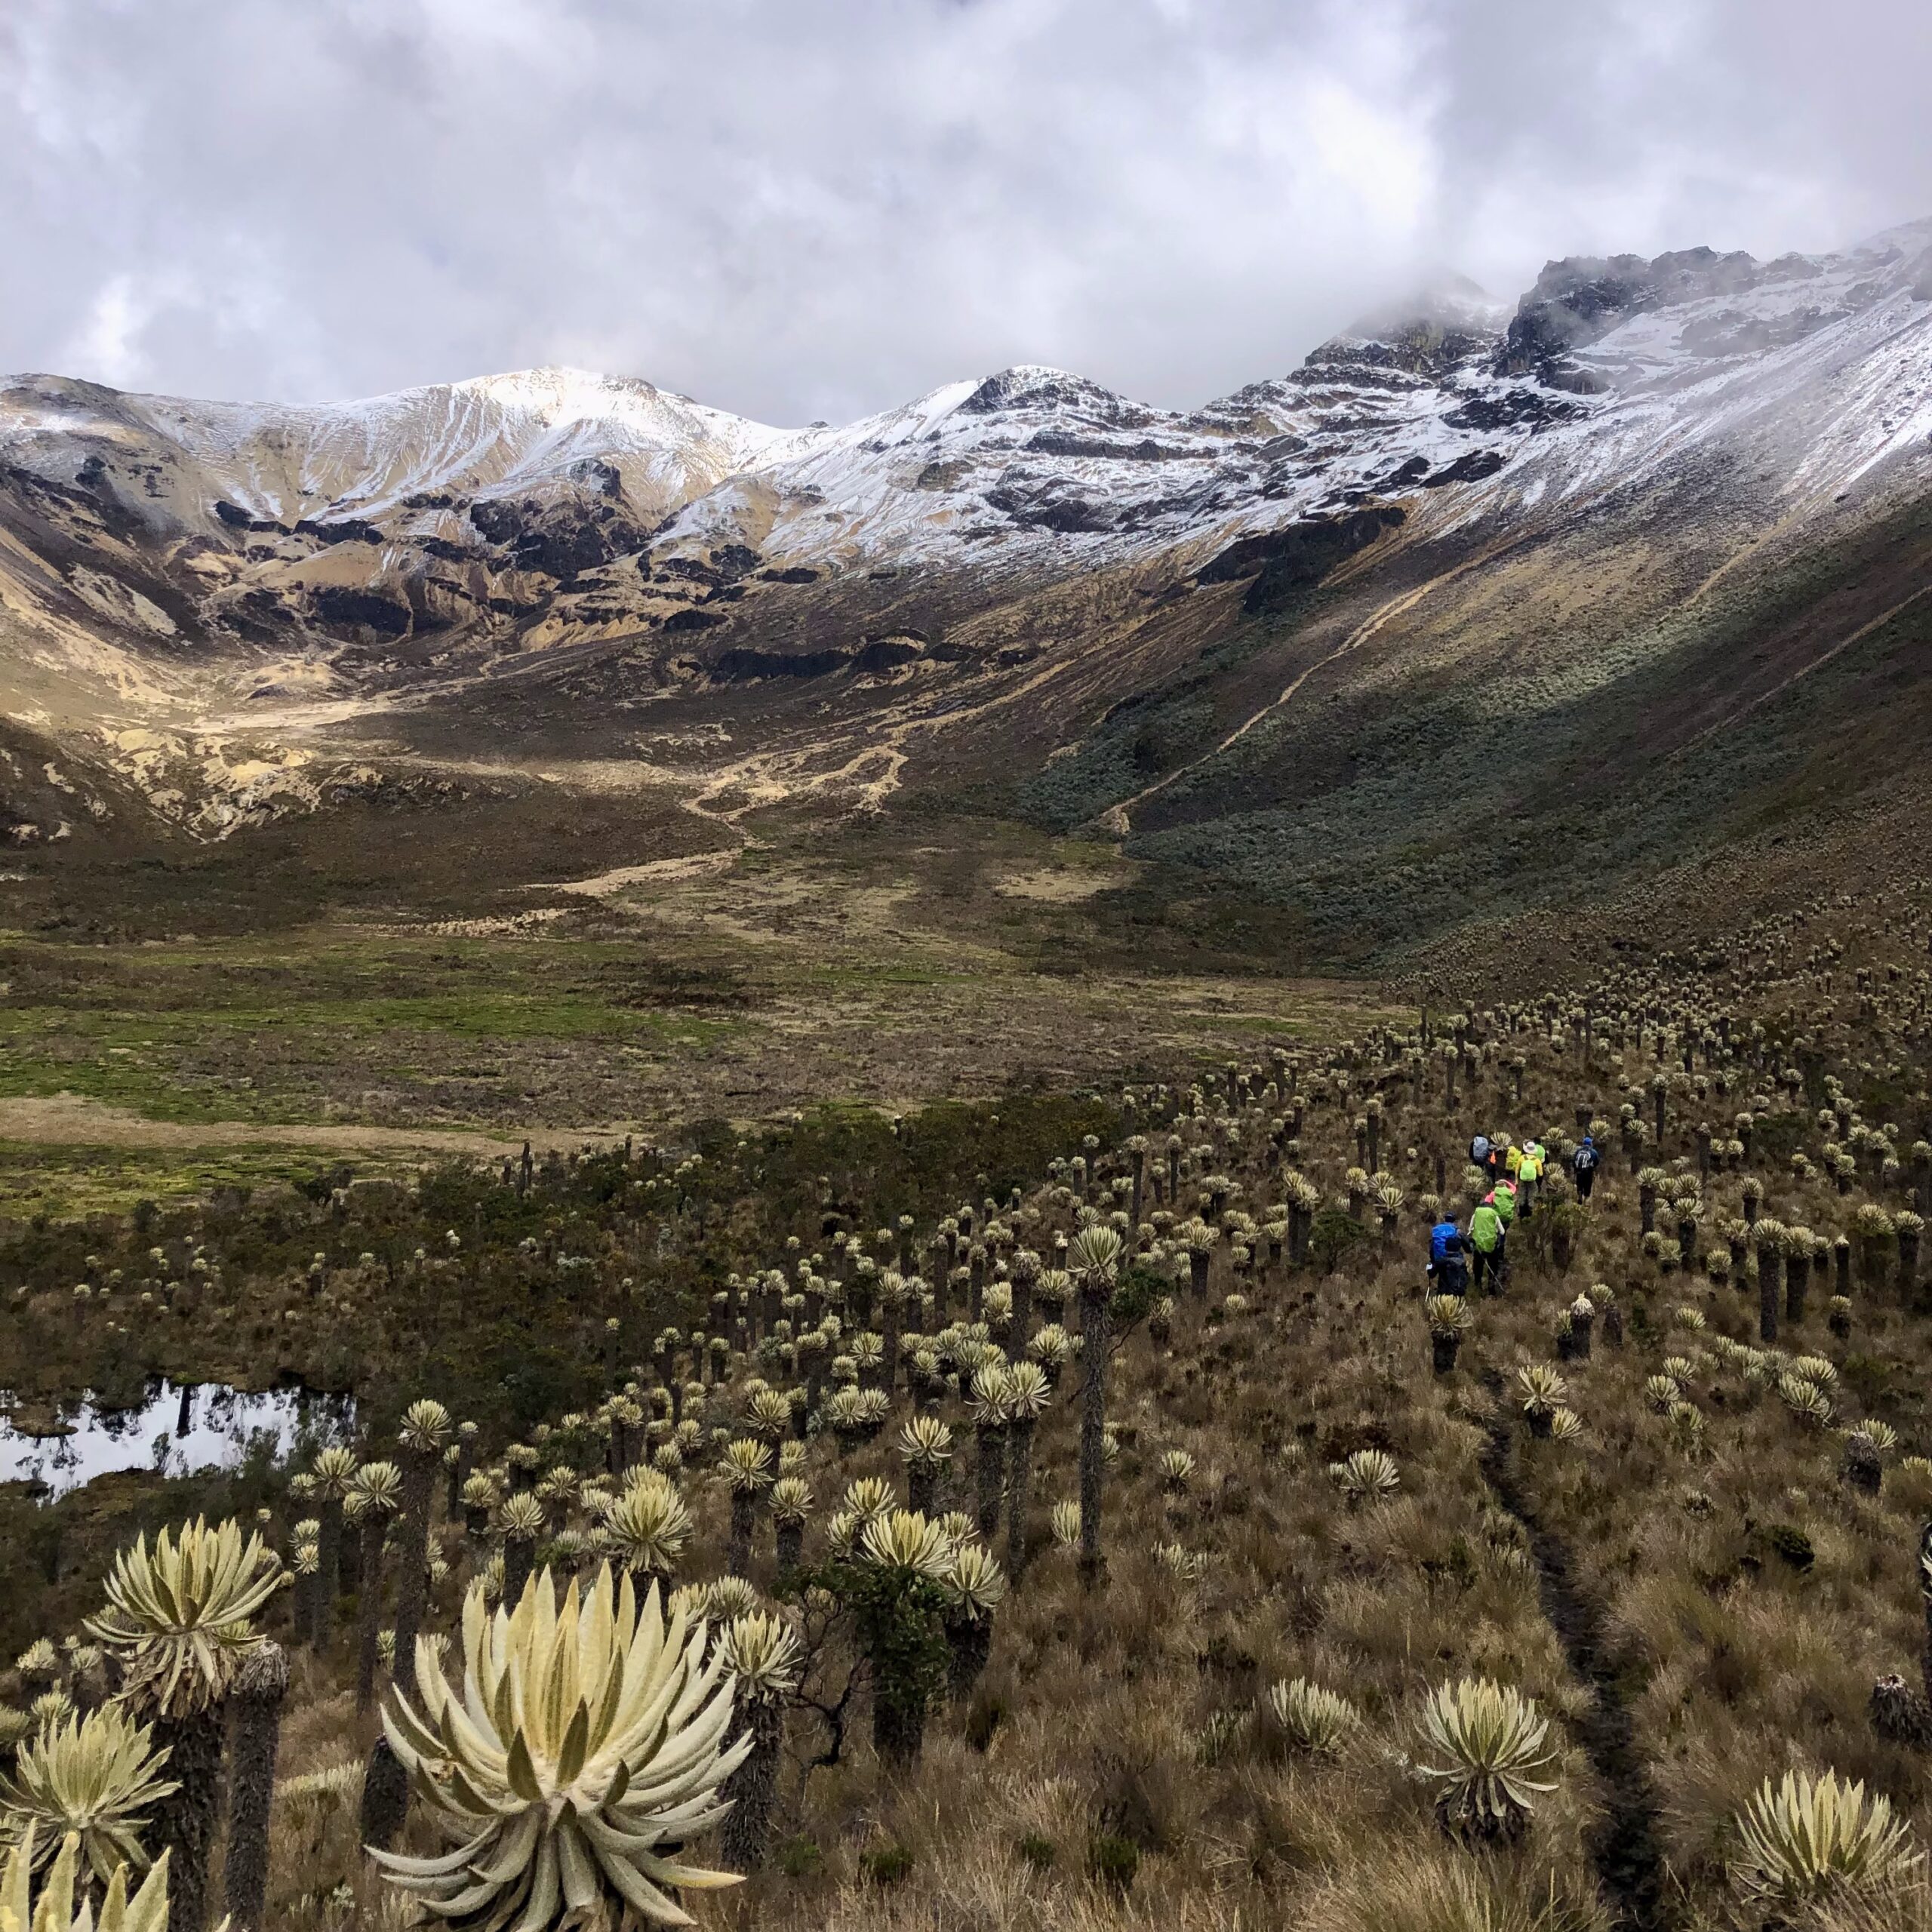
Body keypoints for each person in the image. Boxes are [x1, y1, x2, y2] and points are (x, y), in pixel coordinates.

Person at [1428, 1209, 1472, 1296]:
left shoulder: (1436, 1230)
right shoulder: (1457, 1230)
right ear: (1454, 1220)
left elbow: (1432, 1247)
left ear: (1445, 1219)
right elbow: (1468, 1247)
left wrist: (1433, 1261)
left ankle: (1442, 1293)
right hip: (1454, 1259)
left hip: (1439, 1258)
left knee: (1442, 1276)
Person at [1469, 1192, 1503, 1294]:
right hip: (1491, 1244)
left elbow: (1470, 1229)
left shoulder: (1476, 1214)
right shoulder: (1494, 1214)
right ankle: (1491, 1285)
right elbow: (1502, 1231)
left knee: (1478, 1265)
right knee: (1493, 1266)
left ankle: (1478, 1285)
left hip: (1478, 1245)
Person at [1573, 1133, 1599, 1202]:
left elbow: (1574, 1160)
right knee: (1588, 1185)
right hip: (1588, 1172)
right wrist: (1593, 1167)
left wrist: (1575, 1169)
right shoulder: (1593, 1152)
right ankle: (1586, 1200)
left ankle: (1580, 1194)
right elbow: (1597, 1161)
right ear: (1590, 1144)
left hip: (1579, 1171)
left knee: (1580, 1184)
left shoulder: (1578, 1151)